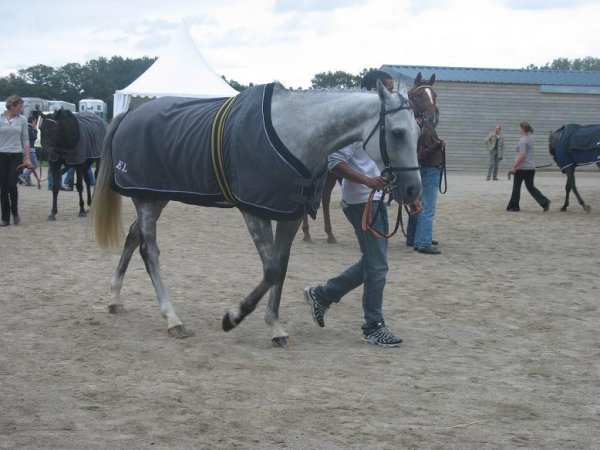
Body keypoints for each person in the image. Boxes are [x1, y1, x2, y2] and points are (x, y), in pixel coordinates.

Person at [303, 70, 421, 347]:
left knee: (373, 262)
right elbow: (334, 161)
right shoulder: (355, 124)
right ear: (371, 90)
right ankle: (372, 325)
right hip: (360, 201)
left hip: (377, 198)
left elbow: (390, 163)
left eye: (392, 89)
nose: (389, 95)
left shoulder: (383, 120)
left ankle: (323, 294)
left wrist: (407, 196)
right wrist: (366, 180)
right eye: (385, 89)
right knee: (377, 265)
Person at [406, 115, 446, 254]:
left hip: (426, 170)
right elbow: (421, 155)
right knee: (427, 208)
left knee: (420, 205)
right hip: (430, 170)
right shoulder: (427, 132)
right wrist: (438, 146)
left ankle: (415, 238)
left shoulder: (423, 131)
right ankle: (423, 242)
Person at [0, 95, 33, 226]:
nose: (21, 108)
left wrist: (28, 158)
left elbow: (25, 139)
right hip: (1, 155)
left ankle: (15, 213)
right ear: (12, 106)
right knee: (3, 188)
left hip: (16, 155)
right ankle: (5, 218)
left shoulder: (22, 120)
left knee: (12, 185)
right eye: (19, 106)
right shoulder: (0, 118)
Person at [506, 121, 550, 212]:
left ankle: (514, 206)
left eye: (519, 128)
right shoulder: (530, 138)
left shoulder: (522, 141)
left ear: (522, 129)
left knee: (516, 187)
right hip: (531, 168)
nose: (518, 130)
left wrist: (514, 167)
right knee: (531, 187)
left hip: (522, 168)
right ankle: (544, 202)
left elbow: (522, 156)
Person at [19, 115, 41, 188]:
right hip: (30, 149)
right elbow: (33, 138)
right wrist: (35, 130)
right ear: (33, 121)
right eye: (35, 122)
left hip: (25, 149)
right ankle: (23, 176)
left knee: (29, 166)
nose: (35, 123)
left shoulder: (26, 128)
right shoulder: (30, 128)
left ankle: (28, 182)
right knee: (35, 165)